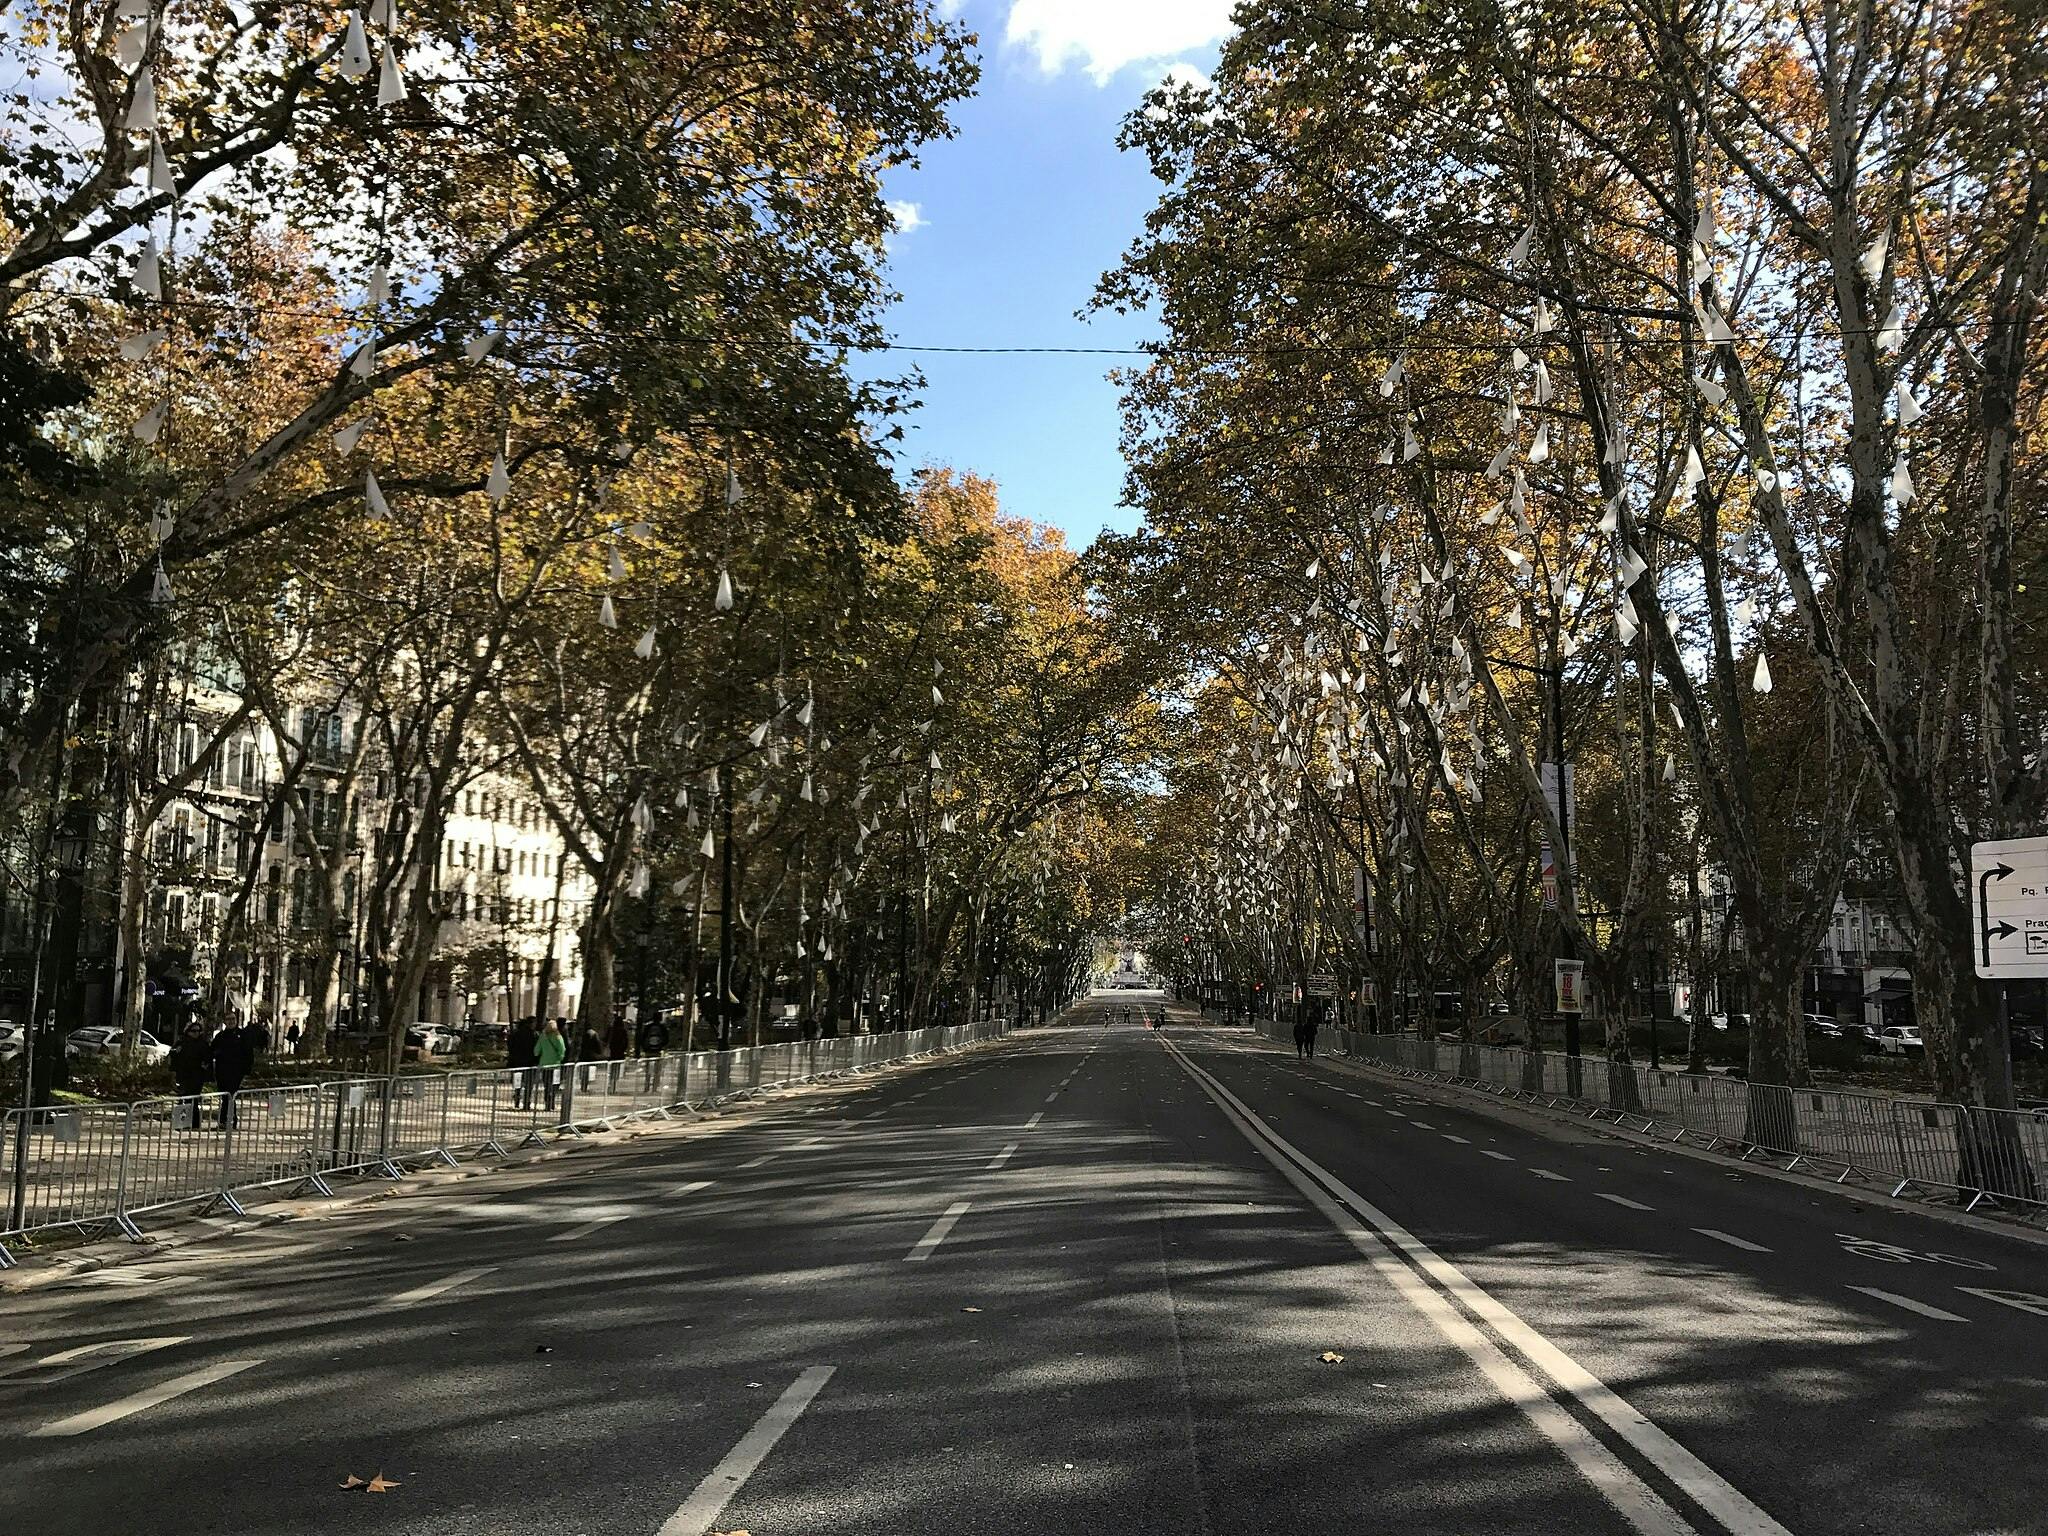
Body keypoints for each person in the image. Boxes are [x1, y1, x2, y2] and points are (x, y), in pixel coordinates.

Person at [210, 1020, 254, 1129]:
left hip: (236, 1071)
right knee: (226, 1096)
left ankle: (228, 1120)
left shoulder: (243, 1035)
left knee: (230, 1095)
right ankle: (227, 1120)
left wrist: (246, 1070)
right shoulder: (221, 1036)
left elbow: (249, 1053)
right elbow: (212, 1050)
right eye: (228, 1019)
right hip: (222, 1070)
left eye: (233, 1019)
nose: (231, 1022)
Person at [170, 1020, 210, 1131]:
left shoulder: (202, 1044)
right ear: (188, 1031)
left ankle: (194, 1123)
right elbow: (172, 1054)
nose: (196, 1033)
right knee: (182, 1098)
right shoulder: (182, 1042)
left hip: (197, 1075)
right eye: (193, 1031)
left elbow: (208, 1057)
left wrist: (205, 1066)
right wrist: (175, 1052)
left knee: (194, 1100)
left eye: (198, 1031)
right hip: (183, 1075)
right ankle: (181, 1123)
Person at [535, 1019, 568, 1110]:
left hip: (545, 1065)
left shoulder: (542, 1037)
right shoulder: (558, 1036)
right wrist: (560, 1058)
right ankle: (552, 1103)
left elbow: (536, 1051)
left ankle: (547, 1104)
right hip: (556, 1065)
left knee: (547, 1085)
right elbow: (562, 1050)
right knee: (555, 1085)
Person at [507, 1017, 538, 1108]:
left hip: (517, 1062)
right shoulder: (534, 1034)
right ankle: (526, 1102)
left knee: (517, 1082)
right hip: (530, 1062)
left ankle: (517, 1100)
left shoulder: (515, 1034)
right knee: (529, 1084)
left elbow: (510, 1046)